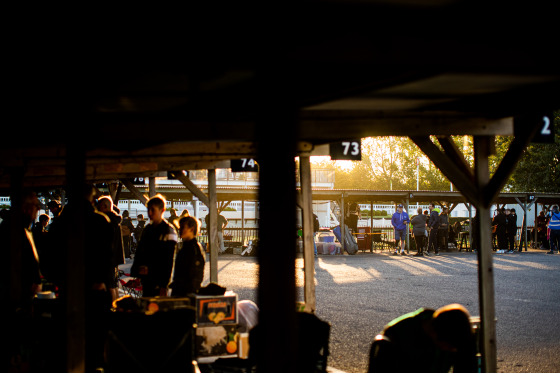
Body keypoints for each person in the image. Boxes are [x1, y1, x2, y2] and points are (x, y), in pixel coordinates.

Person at [0, 191, 43, 371]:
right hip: (14, 296)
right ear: (26, 209)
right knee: (16, 338)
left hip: (19, 293)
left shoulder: (19, 227)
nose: (38, 211)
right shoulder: (14, 229)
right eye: (36, 207)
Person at [368, 303, 477, 373]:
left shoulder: (457, 334)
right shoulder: (397, 336)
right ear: (434, 334)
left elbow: (467, 367)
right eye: (448, 347)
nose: (452, 350)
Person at [131, 194, 178, 297]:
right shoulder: (147, 229)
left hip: (158, 279)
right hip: (146, 278)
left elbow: (169, 260)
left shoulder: (168, 231)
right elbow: (140, 252)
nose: (150, 213)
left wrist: (164, 285)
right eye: (148, 210)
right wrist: (137, 274)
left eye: (153, 210)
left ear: (162, 210)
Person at [97, 196, 126, 301]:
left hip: (106, 257)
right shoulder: (115, 220)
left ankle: (112, 306)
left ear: (104, 206)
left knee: (109, 284)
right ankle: (115, 306)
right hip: (114, 257)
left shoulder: (106, 221)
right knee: (113, 284)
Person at [168, 215, 205, 296]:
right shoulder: (190, 247)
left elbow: (195, 275)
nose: (180, 230)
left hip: (185, 293)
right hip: (184, 291)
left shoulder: (192, 249)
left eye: (182, 227)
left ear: (191, 229)